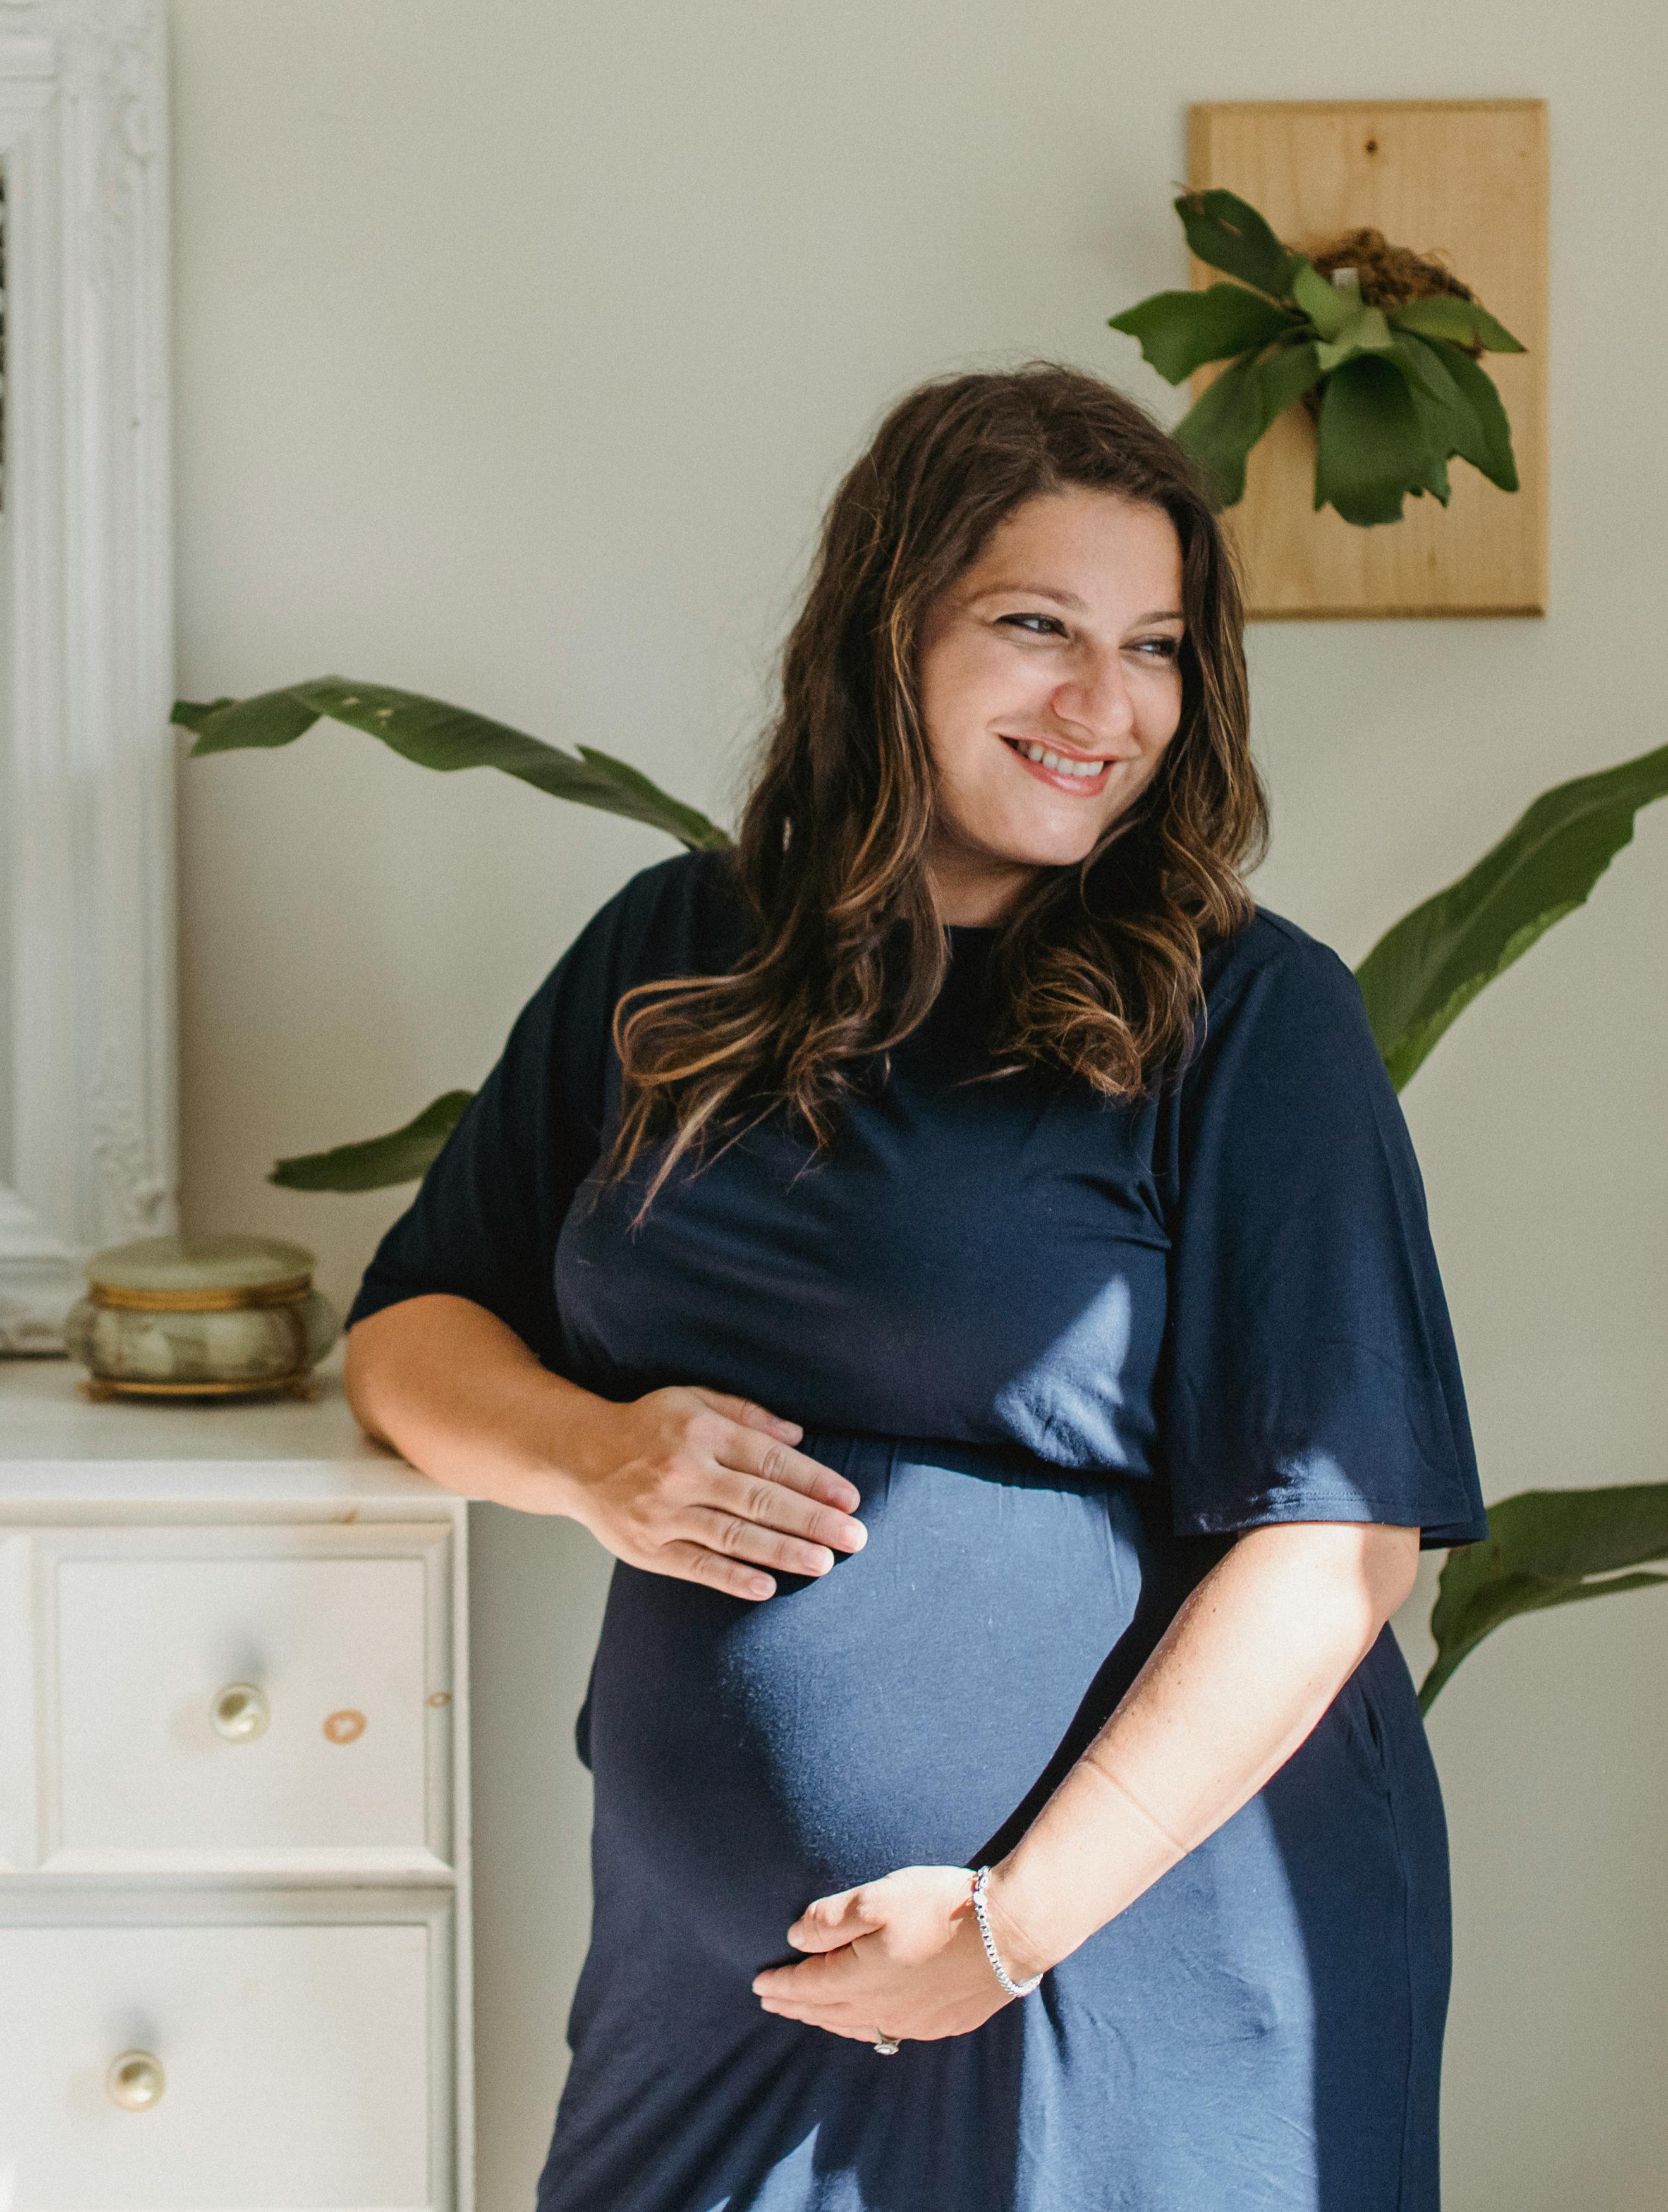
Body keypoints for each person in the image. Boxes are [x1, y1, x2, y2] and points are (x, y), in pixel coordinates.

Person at [345, 366, 1484, 2210]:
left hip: (1119, 1953)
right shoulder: (671, 952)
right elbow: (410, 1334)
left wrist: (1012, 1921)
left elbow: (1340, 1539)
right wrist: (590, 1454)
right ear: (891, 634)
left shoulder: (1252, 1017)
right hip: (712, 1983)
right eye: (1037, 625)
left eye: (1158, 646)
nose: (1103, 703)